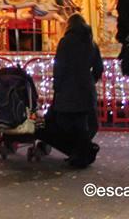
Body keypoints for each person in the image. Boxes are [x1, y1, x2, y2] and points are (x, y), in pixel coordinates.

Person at [36, 13, 104, 168]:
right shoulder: (91, 43)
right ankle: (81, 154)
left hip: (67, 92)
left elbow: (59, 67)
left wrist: (57, 86)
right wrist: (90, 80)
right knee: (82, 126)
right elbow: (99, 68)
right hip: (86, 92)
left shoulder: (65, 42)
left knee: (65, 125)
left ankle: (77, 154)